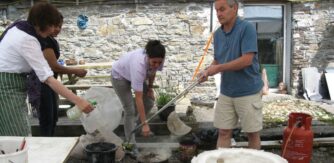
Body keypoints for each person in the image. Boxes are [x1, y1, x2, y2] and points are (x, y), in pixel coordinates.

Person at [0, 2, 93, 136]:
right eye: (52, 25)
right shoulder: (27, 39)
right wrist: (79, 101)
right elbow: (47, 78)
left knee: (10, 137)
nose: (53, 30)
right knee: (19, 138)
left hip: (12, 83)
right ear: (40, 23)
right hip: (6, 88)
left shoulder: (20, 27)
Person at [198, 0, 263, 149]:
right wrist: (207, 71)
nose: (219, 14)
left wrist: (218, 68)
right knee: (223, 132)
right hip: (227, 92)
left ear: (235, 8)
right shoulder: (218, 34)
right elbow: (218, 59)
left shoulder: (247, 28)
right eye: (216, 10)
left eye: (222, 9)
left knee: (252, 133)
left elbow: (247, 60)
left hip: (248, 91)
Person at [35, 15, 87, 136]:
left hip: (50, 83)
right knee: (47, 119)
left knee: (53, 118)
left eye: (60, 26)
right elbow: (54, 66)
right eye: (55, 26)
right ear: (47, 25)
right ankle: (46, 145)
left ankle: (50, 143)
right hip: (43, 84)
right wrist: (76, 71)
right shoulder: (45, 41)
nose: (58, 29)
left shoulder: (50, 40)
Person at [111, 40, 166, 154]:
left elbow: (153, 71)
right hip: (119, 77)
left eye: (159, 62)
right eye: (154, 62)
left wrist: (150, 88)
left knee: (150, 101)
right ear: (148, 57)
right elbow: (138, 98)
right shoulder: (139, 65)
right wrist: (145, 123)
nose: (156, 65)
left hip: (133, 75)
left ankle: (133, 125)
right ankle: (130, 145)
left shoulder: (159, 59)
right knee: (129, 110)